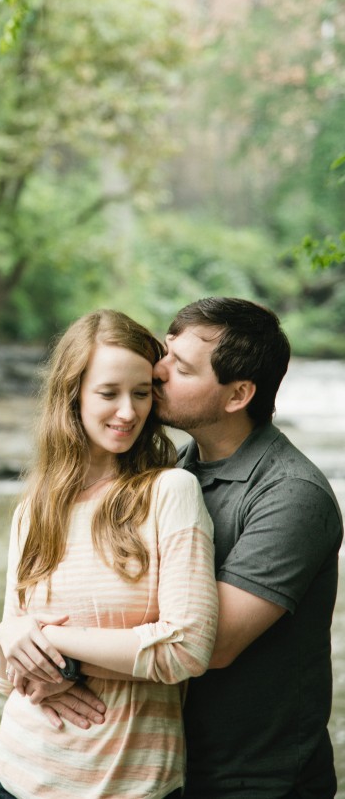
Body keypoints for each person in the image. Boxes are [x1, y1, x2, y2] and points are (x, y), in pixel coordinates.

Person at [0, 309, 219, 799]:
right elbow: (2, 670)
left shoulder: (170, 492)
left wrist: (48, 644)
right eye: (109, 393)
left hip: (131, 785)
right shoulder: (35, 509)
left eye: (141, 392)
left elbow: (185, 649)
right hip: (16, 774)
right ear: (74, 395)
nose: (128, 412)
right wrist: (10, 633)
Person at [151, 297, 343, 798]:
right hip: (169, 765)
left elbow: (208, 645)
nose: (157, 371)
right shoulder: (174, 469)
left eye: (181, 367)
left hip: (258, 781)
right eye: (166, 352)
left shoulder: (291, 494)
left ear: (238, 394)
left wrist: (59, 646)